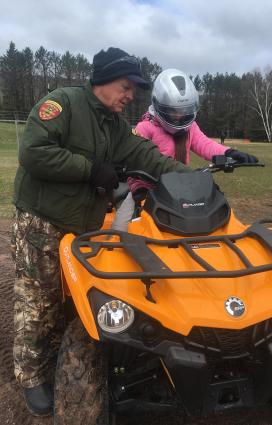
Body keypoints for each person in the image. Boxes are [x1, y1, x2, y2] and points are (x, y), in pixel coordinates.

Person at [11, 48, 192, 417]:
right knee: (38, 302)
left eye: (133, 90)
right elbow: (33, 152)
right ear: (103, 81)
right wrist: (90, 169)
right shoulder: (62, 104)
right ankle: (30, 375)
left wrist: (191, 179)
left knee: (68, 304)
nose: (130, 96)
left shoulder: (113, 126)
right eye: (126, 87)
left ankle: (62, 359)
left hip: (82, 228)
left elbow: (146, 155)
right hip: (42, 222)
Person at [111, 68, 258, 231]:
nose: (179, 116)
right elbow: (136, 158)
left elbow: (205, 144)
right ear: (158, 105)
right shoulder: (144, 128)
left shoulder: (190, 128)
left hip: (181, 190)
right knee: (120, 227)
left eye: (184, 111)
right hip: (146, 191)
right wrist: (138, 189)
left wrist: (229, 153)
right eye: (173, 111)